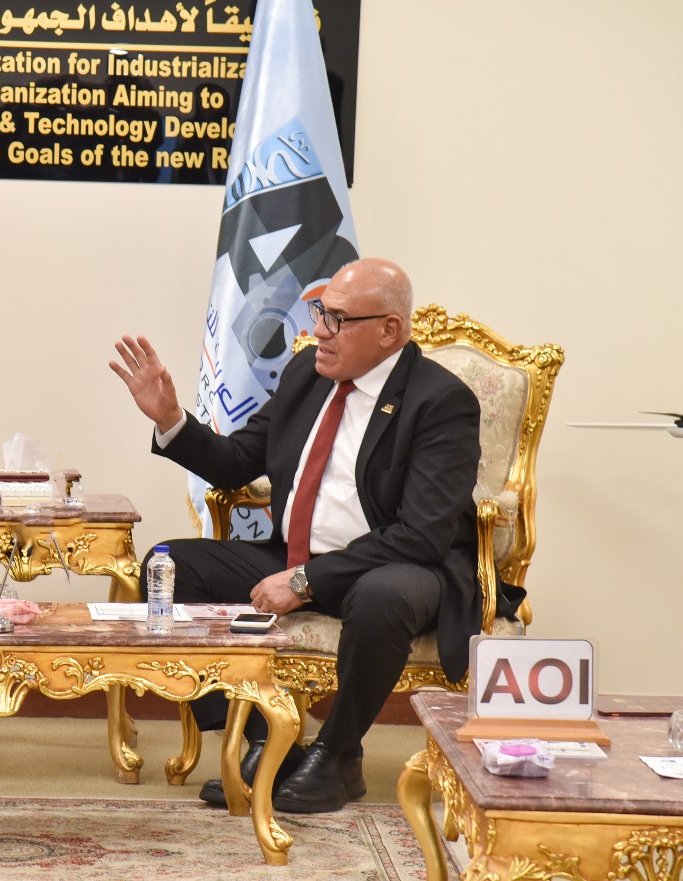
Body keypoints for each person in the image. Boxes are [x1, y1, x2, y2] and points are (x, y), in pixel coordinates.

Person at [110, 257, 524, 813]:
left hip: (397, 568)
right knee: (169, 566)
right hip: (297, 555)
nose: (318, 331)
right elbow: (235, 462)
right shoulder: (307, 374)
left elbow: (421, 535)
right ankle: (269, 742)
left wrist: (305, 580)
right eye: (320, 313)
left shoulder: (440, 401)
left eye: (337, 320)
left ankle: (338, 756)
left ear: (389, 331)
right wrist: (169, 419)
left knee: (382, 598)